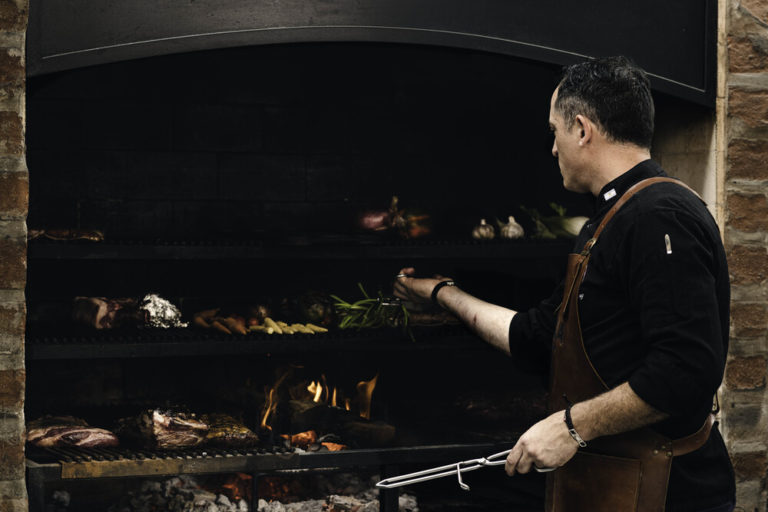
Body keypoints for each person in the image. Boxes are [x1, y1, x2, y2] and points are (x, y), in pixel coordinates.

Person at [393, 56, 735, 512]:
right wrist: (441, 292)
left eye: (554, 131)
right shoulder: (612, 216)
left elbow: (685, 371)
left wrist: (570, 426)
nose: (552, 148)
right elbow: (535, 337)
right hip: (610, 478)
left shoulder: (659, 215)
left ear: (581, 129)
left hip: (669, 491)